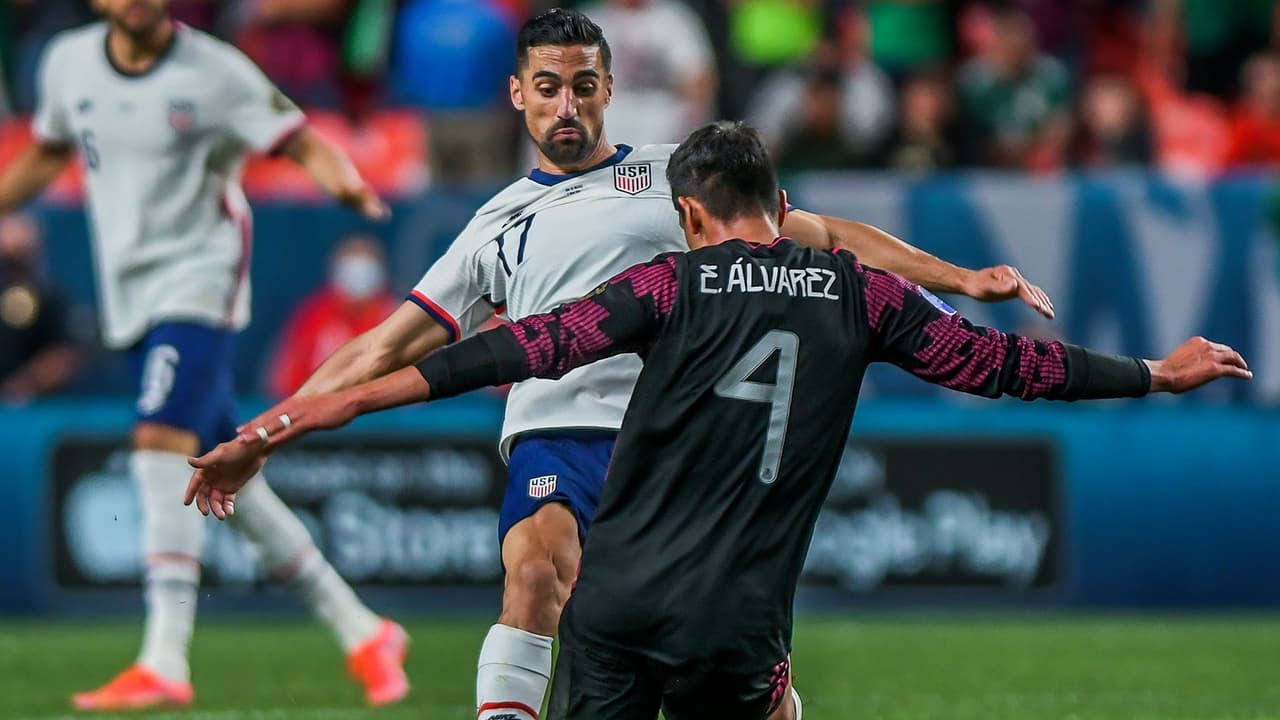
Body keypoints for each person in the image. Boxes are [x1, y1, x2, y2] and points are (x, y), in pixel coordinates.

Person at [186, 120, 1252, 719]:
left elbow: (492, 356)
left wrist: (285, 423)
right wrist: (1153, 374)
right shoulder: (857, 294)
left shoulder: (664, 286)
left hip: (614, 612)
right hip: (735, 625)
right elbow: (1003, 368)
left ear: (688, 215)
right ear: (779, 199)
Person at [0, 0, 408, 710]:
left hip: (202, 274)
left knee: (160, 438)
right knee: (230, 470)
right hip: (131, 290)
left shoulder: (214, 70)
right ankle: (365, 630)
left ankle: (163, 656)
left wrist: (340, 178)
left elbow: (296, 137)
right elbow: (48, 149)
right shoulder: (67, 63)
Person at [269, 235, 399, 399]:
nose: (358, 276)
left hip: (383, 418)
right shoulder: (315, 315)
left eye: (366, 264)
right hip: (319, 414)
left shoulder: (397, 315)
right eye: (351, 264)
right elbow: (286, 381)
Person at [0, 213, 82, 403]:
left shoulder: (50, 297)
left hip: (35, 407)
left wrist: (25, 385)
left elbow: (65, 354)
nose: (11, 267)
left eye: (20, 256)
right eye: (7, 259)